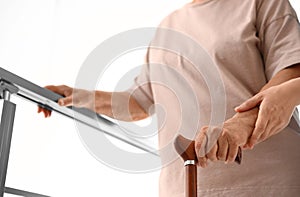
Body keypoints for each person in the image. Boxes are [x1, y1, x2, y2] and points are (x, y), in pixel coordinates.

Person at [39, 0, 300, 196]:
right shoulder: (167, 26)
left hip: (268, 180)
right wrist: (78, 96)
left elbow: (290, 71)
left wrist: (235, 130)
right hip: (185, 185)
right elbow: (138, 102)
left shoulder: (261, 3)